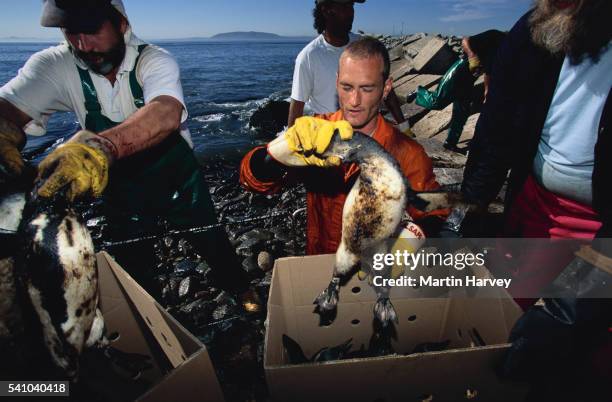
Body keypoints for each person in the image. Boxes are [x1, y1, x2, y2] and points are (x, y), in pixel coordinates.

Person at [0, 0, 260, 312]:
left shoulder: (154, 60)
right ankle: (152, 323)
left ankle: (241, 289)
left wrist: (97, 150)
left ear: (122, 24)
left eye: (92, 29)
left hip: (177, 177)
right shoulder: (53, 66)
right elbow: (9, 107)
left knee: (210, 238)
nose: (82, 45)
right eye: (71, 32)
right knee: (134, 265)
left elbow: (165, 113)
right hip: (121, 187)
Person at [460, 0, 612, 399]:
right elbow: (496, 131)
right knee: (508, 328)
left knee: (587, 360)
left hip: (601, 230)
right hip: (534, 203)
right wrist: (466, 212)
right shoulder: (535, 27)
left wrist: (572, 307)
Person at [241, 37, 446, 256]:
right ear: (337, 81)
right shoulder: (314, 134)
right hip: (320, 259)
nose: (354, 100)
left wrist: (409, 242)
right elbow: (253, 181)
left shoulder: (408, 152)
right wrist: (276, 153)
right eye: (346, 87)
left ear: (386, 88)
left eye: (367, 88)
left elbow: (433, 212)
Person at [288, 0, 409, 135]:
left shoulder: (364, 46)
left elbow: (387, 91)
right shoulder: (308, 57)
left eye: (351, 6)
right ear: (326, 10)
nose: (351, 12)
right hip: (329, 139)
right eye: (344, 6)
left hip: (367, 133)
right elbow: (297, 108)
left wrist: (405, 128)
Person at [413, 29, 506, 154]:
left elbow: (489, 71)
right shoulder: (495, 36)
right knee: (438, 102)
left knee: (462, 113)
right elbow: (465, 41)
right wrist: (472, 56)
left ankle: (450, 143)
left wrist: (487, 91)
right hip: (460, 70)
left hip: (470, 79)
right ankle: (419, 92)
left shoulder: (507, 52)